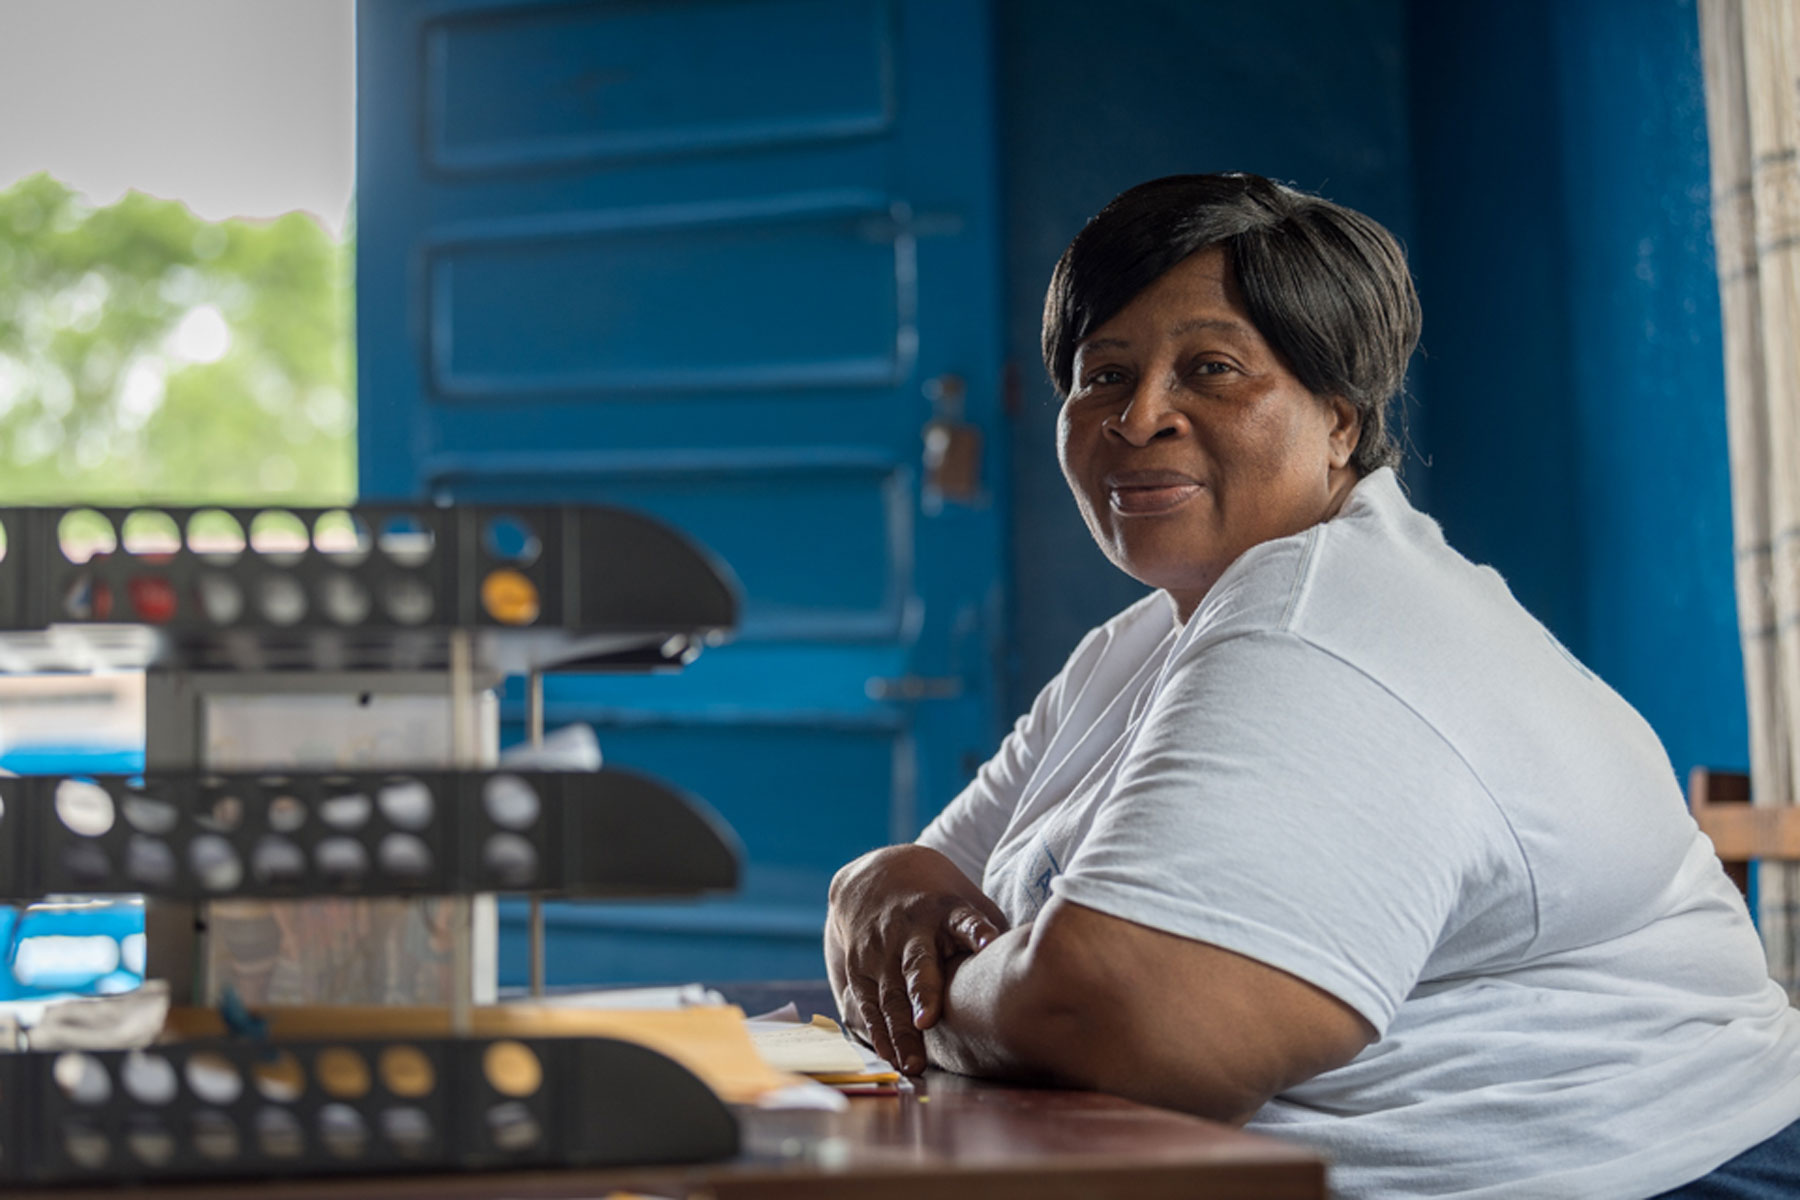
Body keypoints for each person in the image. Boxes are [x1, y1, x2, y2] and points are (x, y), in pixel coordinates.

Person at [823, 173, 1800, 1199]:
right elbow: (923, 891)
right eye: (1103, 375)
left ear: (1341, 420)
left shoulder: (1325, 626)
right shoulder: (1144, 643)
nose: (1141, 415)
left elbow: (1123, 1029)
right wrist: (873, 887)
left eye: (1212, 369)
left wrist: (936, 1001)